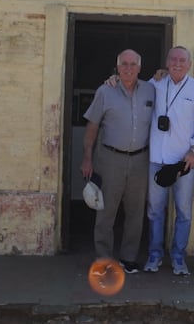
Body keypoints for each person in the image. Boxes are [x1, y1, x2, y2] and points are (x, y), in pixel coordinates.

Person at [81, 49, 155, 274]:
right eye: (124, 64)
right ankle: (103, 259)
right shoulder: (106, 91)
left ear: (140, 68)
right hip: (110, 158)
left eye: (133, 64)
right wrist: (87, 157)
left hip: (140, 159)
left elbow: (169, 81)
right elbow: (92, 126)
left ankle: (129, 258)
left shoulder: (151, 90)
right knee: (106, 211)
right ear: (117, 67)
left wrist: (161, 72)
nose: (129, 68)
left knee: (135, 211)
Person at [144, 46, 194, 276]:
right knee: (155, 211)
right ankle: (154, 255)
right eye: (173, 59)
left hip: (184, 162)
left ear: (189, 64)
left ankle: (179, 257)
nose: (177, 63)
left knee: (184, 212)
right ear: (166, 62)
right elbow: (134, 91)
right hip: (157, 160)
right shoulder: (155, 84)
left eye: (182, 60)